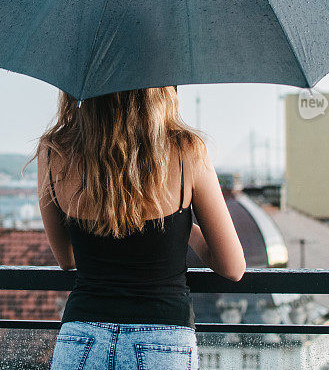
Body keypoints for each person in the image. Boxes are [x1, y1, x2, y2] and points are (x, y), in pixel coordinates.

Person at [36, 87, 245, 370]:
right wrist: (183, 227)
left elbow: (67, 258)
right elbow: (232, 267)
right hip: (163, 338)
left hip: (81, 337)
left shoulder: (54, 151)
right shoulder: (186, 150)